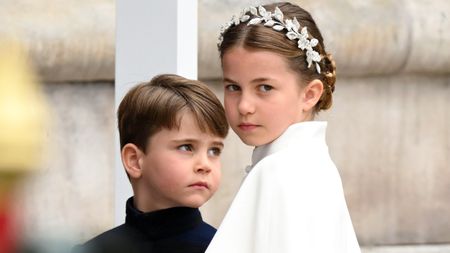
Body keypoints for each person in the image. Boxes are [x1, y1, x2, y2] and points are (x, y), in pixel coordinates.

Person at [206, 2, 360, 253]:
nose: (244, 106)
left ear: (309, 94)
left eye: (264, 87)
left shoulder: (277, 171)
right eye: (233, 87)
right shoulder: (316, 166)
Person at [76, 74, 229, 253]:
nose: (205, 165)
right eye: (186, 147)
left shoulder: (225, 248)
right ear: (134, 160)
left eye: (214, 151)